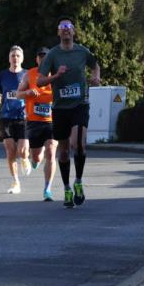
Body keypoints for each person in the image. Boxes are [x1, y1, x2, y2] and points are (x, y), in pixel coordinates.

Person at [37, 18, 101, 208]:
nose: (66, 31)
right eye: (62, 28)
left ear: (74, 32)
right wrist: (56, 76)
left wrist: (95, 76)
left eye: (69, 28)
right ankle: (66, 188)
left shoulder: (82, 51)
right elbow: (40, 81)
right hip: (60, 108)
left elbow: (95, 64)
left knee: (78, 144)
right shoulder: (53, 55)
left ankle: (78, 181)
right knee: (63, 152)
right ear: (58, 33)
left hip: (79, 104)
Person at [16, 47, 57, 202]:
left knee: (52, 152)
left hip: (52, 121)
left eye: (46, 57)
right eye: (40, 57)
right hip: (34, 122)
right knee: (37, 156)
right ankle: (34, 161)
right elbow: (18, 93)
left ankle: (47, 188)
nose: (43, 60)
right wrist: (27, 93)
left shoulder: (56, 75)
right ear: (37, 60)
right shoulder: (30, 74)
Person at [0, 46, 28, 194]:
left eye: (18, 56)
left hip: (23, 117)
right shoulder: (2, 76)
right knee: (10, 151)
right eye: (13, 55)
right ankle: (15, 182)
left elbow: (34, 93)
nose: (15, 58)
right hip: (6, 117)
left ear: (22, 58)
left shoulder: (27, 75)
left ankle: (26, 158)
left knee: (22, 152)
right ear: (9, 58)